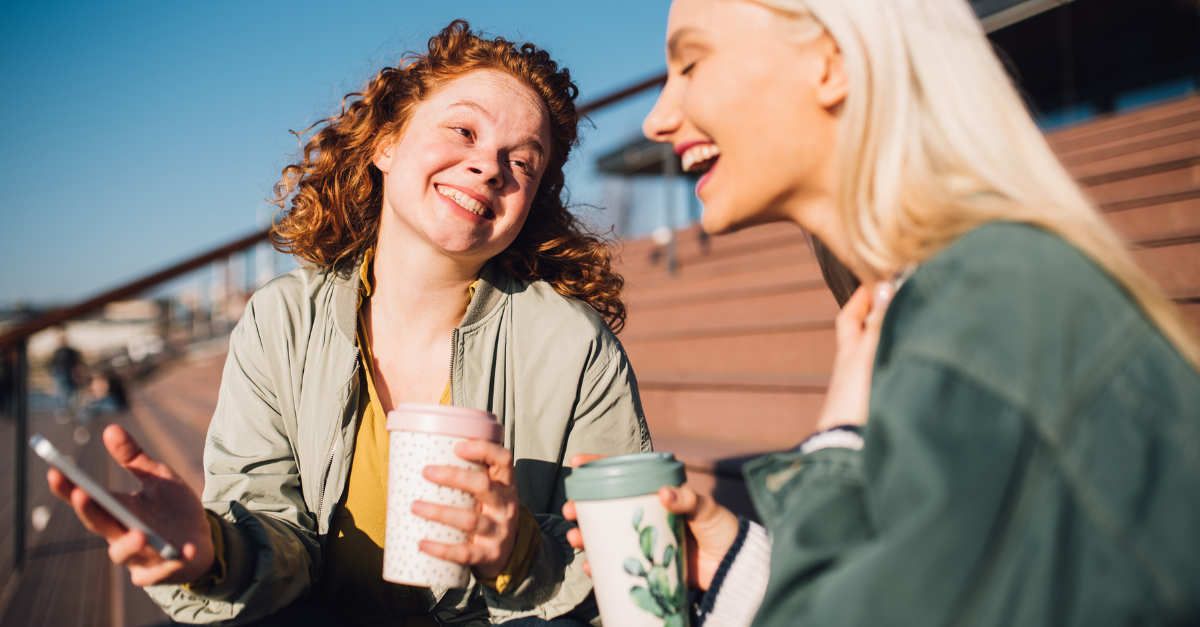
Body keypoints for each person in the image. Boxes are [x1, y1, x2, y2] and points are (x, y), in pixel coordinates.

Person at [565, 0, 1200, 625]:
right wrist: (743, 564)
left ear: (832, 61)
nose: (656, 119)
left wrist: (834, 457)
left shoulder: (988, 316)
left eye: (692, 63)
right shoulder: (955, 296)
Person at [48, 21, 650, 626]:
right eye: (463, 130)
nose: (490, 167)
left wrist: (517, 554)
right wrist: (215, 552)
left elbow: (630, 568)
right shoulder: (281, 321)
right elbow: (271, 526)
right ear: (387, 143)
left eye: (521, 162)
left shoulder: (575, 347)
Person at [50, 327, 83, 419]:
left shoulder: (67, 351)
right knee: (62, 393)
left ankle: (65, 410)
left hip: (66, 374)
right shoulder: (60, 351)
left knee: (65, 392)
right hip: (61, 374)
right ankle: (63, 410)